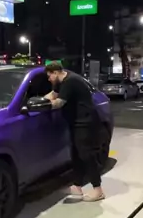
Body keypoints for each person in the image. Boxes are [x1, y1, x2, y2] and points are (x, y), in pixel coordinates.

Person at [45, 62, 105, 202]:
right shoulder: (60, 81)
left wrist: (44, 105)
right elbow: (53, 94)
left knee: (86, 155)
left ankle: (98, 190)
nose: (48, 79)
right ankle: (77, 186)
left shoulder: (70, 81)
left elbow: (59, 102)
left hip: (85, 122)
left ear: (56, 73)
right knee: (76, 154)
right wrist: (39, 100)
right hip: (75, 122)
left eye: (49, 76)